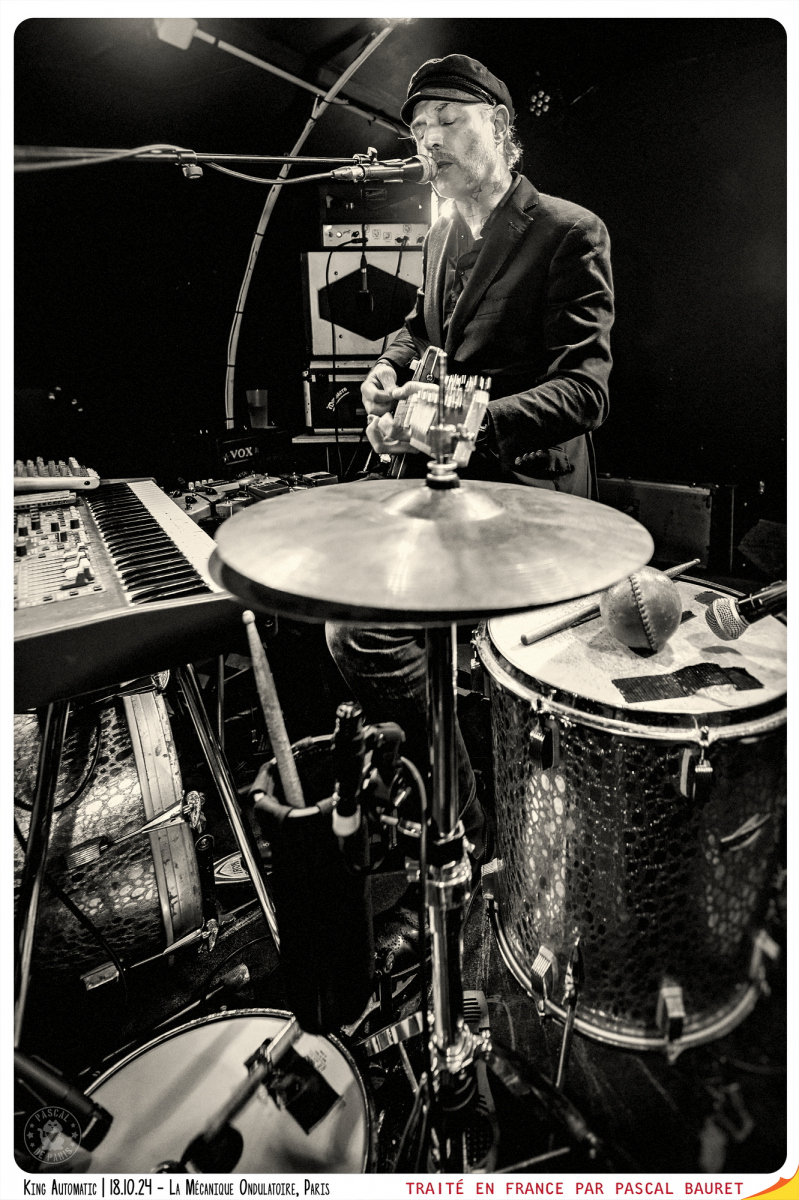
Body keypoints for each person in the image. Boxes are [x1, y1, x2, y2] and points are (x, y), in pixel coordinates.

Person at [327, 54, 615, 861]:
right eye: (419, 130)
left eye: (448, 122)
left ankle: (502, 828)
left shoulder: (567, 230)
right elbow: (421, 328)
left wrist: (465, 422)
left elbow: (585, 390)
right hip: (451, 483)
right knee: (356, 632)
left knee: (413, 650)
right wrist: (388, 369)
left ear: (500, 127)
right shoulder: (443, 231)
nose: (429, 141)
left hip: (527, 495)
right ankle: (467, 813)